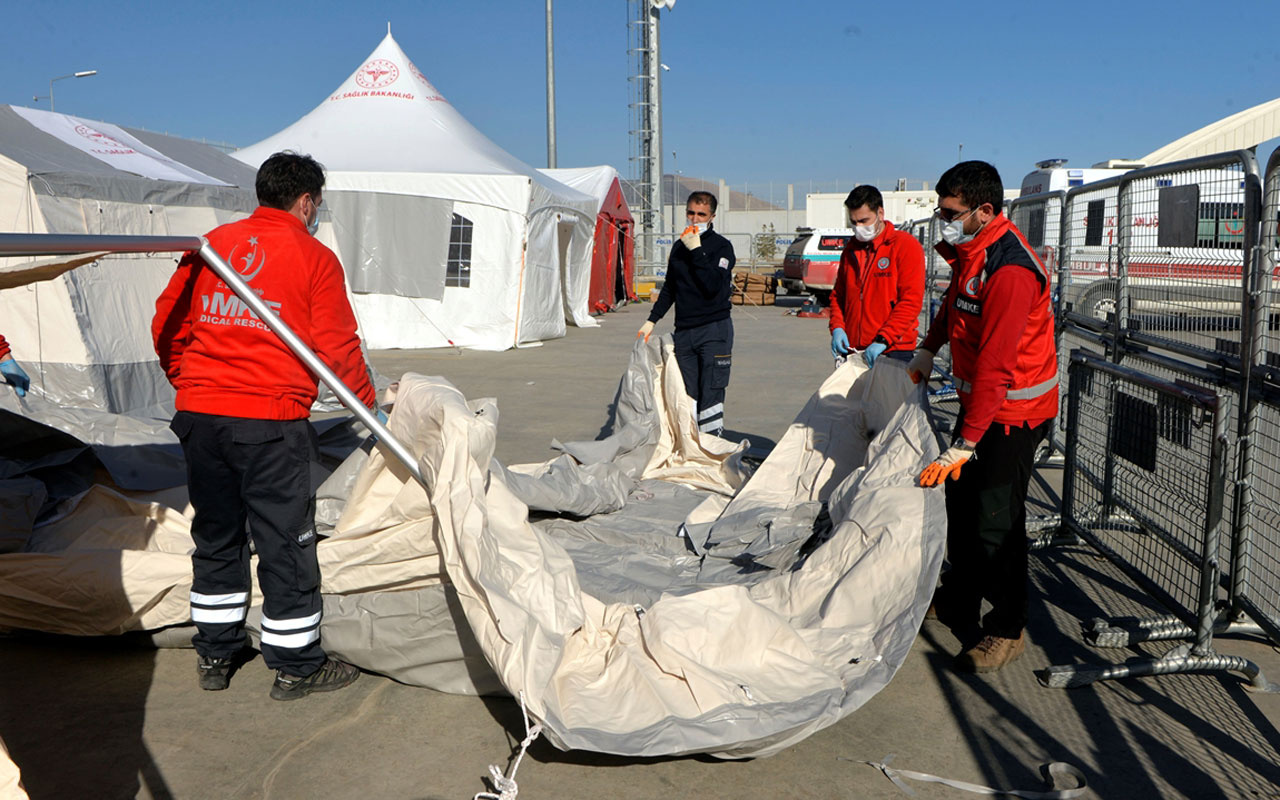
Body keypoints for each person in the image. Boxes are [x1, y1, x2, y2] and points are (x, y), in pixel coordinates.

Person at [152, 151, 380, 700]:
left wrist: (189, 379)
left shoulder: (210, 246)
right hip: (269, 423)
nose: (316, 213)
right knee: (285, 541)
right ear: (306, 201)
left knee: (217, 534)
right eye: (317, 205)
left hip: (201, 419)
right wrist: (371, 412)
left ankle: (216, 653)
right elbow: (337, 348)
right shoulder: (314, 257)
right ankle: (296, 665)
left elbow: (167, 320)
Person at [908, 161, 1057, 673]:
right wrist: (929, 349)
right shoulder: (973, 254)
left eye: (951, 212)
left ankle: (1007, 627)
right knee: (960, 503)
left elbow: (996, 365)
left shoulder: (1011, 270)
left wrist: (966, 443)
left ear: (985, 211)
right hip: (981, 409)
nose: (942, 219)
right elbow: (955, 305)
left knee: (998, 521)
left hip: (1014, 414)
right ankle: (958, 597)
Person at [638, 191, 736, 436]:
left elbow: (712, 285)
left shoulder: (722, 247)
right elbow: (671, 287)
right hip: (684, 332)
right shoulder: (679, 247)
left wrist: (697, 250)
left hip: (714, 330)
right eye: (691, 213)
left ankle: (710, 447)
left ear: (712, 216)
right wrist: (651, 320)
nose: (695, 219)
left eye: (701, 214)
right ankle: (690, 446)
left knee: (711, 394)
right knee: (686, 394)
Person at [828, 185, 925, 365]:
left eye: (864, 220)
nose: (859, 227)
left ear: (880, 213)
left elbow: (910, 301)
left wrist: (884, 339)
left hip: (892, 349)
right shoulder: (850, 251)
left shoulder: (904, 246)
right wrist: (838, 328)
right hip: (853, 349)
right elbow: (838, 296)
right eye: (854, 222)